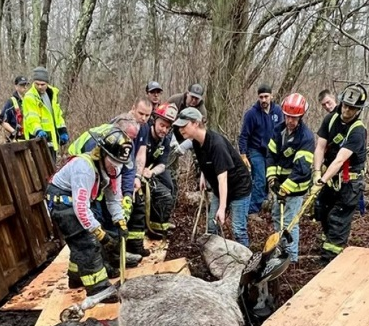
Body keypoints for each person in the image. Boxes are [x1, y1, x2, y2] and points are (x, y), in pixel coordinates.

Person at [45, 126, 135, 298]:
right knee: (86, 241)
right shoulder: (83, 168)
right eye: (113, 162)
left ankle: (77, 275)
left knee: (85, 239)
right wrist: (100, 234)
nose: (115, 168)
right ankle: (98, 289)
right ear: (101, 153)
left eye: (119, 164)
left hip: (78, 202)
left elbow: (114, 199)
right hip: (62, 201)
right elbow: (81, 208)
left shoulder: (114, 168)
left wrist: (120, 222)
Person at [174, 107, 252, 245]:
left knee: (238, 230)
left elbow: (223, 178)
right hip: (219, 188)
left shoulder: (217, 144)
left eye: (184, 125)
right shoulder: (196, 142)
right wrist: (204, 176)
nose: (181, 129)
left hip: (239, 188)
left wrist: (222, 208)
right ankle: (215, 256)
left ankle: (246, 261)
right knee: (211, 226)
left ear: (196, 123)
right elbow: (206, 162)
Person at [312, 83, 368, 262]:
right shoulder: (331, 119)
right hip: (330, 178)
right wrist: (316, 172)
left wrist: (321, 180)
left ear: (358, 110)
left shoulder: (358, 131)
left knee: (338, 219)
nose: (346, 110)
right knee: (322, 211)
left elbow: (339, 160)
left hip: (349, 183)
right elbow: (320, 147)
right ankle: (325, 249)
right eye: (345, 105)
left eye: (351, 108)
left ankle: (330, 260)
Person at [266, 93, 315, 263]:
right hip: (280, 183)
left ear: (301, 116)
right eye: (288, 117)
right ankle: (279, 249)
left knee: (289, 222)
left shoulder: (306, 138)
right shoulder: (278, 130)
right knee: (276, 216)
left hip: (295, 187)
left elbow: (301, 169)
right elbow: (270, 155)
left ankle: (291, 258)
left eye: (294, 118)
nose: (290, 121)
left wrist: (285, 188)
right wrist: (272, 179)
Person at [126, 103, 178, 255]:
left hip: (148, 174)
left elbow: (163, 164)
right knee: (138, 201)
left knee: (167, 194)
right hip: (132, 172)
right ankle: (133, 239)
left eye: (168, 127)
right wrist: (138, 173)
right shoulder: (142, 131)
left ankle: (156, 230)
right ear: (154, 120)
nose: (164, 130)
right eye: (162, 125)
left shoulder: (165, 141)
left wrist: (151, 172)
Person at [238, 83, 283, 215]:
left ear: (271, 96)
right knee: (260, 179)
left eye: (266, 97)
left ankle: (262, 201)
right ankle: (252, 211)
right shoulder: (251, 114)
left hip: (271, 151)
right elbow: (244, 135)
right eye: (261, 97)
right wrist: (243, 154)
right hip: (255, 149)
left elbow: (281, 132)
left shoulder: (278, 111)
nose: (263, 100)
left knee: (270, 177)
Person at [23, 66, 69, 161]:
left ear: (47, 83)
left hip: (52, 140)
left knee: (52, 170)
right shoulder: (29, 97)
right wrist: (38, 131)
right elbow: (32, 118)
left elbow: (57, 115)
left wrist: (62, 131)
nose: (39, 87)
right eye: (37, 84)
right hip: (37, 140)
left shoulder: (52, 94)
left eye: (42, 84)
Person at [168, 83, 207, 149]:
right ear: (188, 93)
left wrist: (185, 146)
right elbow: (163, 117)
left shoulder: (202, 111)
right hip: (171, 130)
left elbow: (201, 130)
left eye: (197, 98)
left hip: (190, 135)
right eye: (192, 97)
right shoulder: (175, 100)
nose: (194, 100)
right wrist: (171, 136)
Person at [0, 76, 29, 142]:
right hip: (18, 140)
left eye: (26, 85)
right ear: (16, 86)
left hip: (30, 138)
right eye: (22, 85)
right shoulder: (11, 102)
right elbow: (2, 120)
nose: (25, 87)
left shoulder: (30, 100)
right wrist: (14, 132)